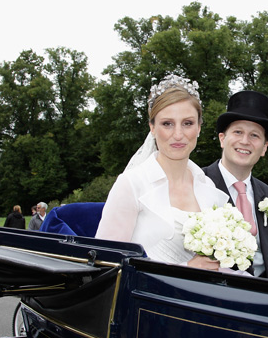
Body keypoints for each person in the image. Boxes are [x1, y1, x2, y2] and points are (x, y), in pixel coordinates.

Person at [96, 74, 228, 271]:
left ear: (199, 127)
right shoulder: (131, 185)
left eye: (188, 123)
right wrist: (187, 269)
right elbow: (105, 263)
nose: (178, 134)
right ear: (152, 128)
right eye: (167, 123)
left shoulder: (207, 185)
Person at [203, 90, 268, 281]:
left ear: (264, 148)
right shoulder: (198, 184)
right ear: (222, 138)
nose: (245, 141)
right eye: (238, 132)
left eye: (254, 135)